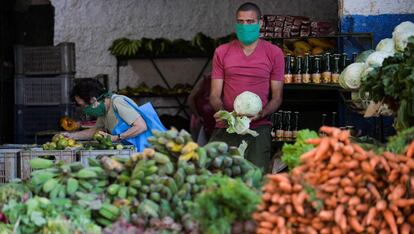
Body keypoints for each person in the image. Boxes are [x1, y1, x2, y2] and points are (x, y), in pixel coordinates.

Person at [209, 2, 284, 171]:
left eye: (250, 22)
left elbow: (277, 97)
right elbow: (214, 95)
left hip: (258, 129)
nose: (245, 26)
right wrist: (226, 115)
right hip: (226, 128)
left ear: (260, 23)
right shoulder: (222, 52)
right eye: (240, 21)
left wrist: (262, 113)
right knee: (216, 180)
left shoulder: (274, 53)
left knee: (254, 180)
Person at [63, 79, 166, 151]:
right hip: (134, 151)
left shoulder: (117, 102)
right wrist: (70, 136)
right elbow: (95, 131)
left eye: (83, 105)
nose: (84, 110)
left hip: (149, 150)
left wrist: (117, 137)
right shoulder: (103, 111)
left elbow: (141, 126)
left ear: (93, 100)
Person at [187, 73, 216, 145]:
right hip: (203, 122)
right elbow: (190, 99)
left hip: (218, 125)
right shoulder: (205, 80)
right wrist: (197, 116)